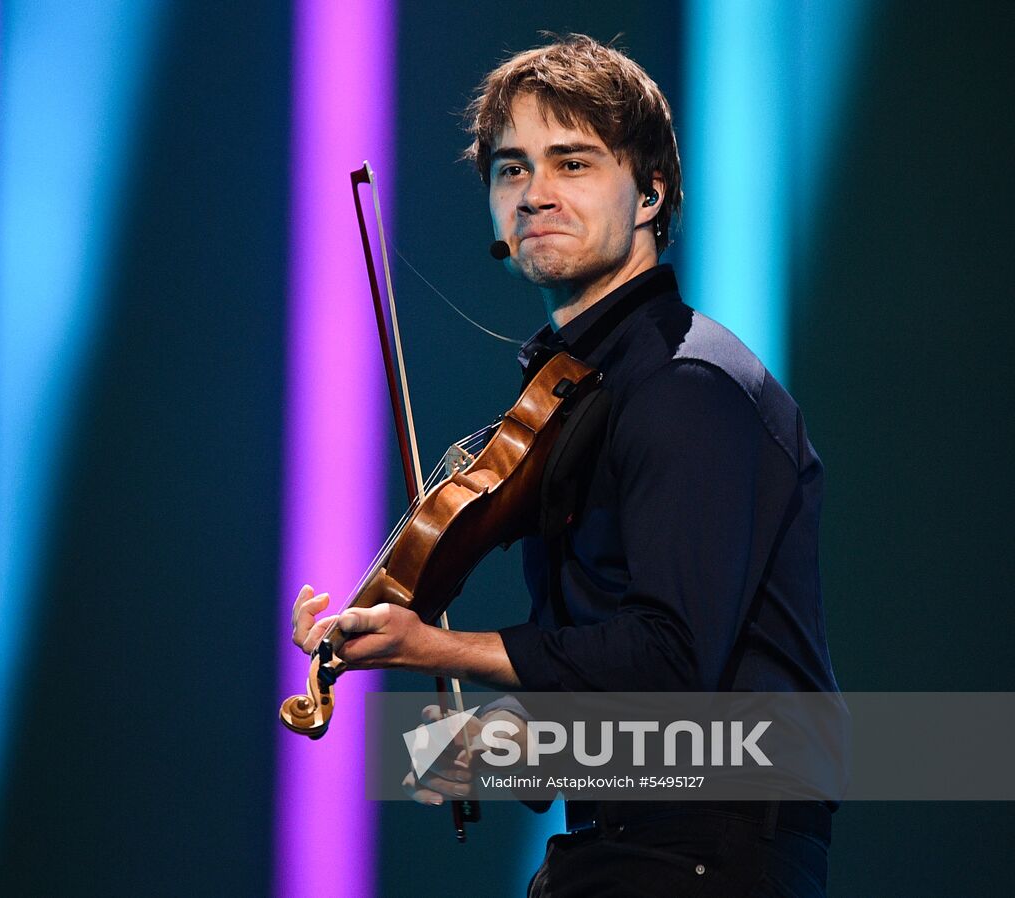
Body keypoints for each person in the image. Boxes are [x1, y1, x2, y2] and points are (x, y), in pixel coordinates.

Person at [289, 33, 840, 897]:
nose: (535, 194)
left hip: (707, 853)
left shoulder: (684, 384)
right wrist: (503, 750)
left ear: (651, 192)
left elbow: (669, 662)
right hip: (651, 842)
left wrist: (437, 645)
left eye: (573, 163)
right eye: (512, 170)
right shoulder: (588, 387)